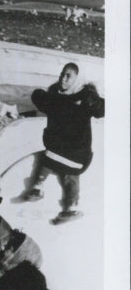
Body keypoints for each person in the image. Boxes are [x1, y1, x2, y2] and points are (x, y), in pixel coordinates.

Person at [22, 62, 105, 223]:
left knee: (71, 172)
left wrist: (92, 101)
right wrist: (38, 94)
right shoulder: (55, 93)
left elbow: (101, 110)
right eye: (62, 74)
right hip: (58, 143)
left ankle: (70, 207)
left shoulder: (85, 95)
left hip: (77, 147)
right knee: (51, 155)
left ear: (77, 79)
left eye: (68, 76)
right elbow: (42, 102)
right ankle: (38, 187)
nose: (63, 79)